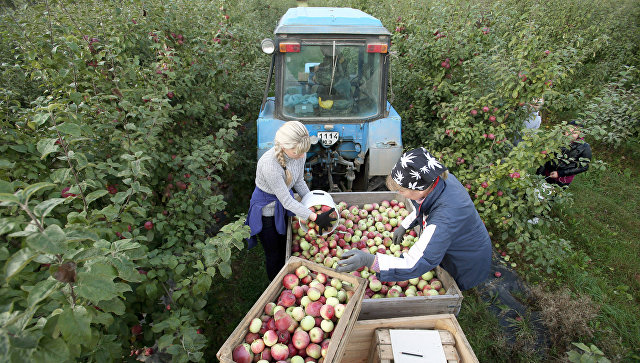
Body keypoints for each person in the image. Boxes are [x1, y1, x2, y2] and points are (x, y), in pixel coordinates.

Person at [336, 148, 492, 291]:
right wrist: (405, 225)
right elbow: (425, 207)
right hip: (456, 240)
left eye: (402, 191)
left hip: (465, 258)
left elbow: (413, 263)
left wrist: (369, 260)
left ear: (420, 189)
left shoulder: (444, 218)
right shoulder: (437, 180)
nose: (401, 194)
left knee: (454, 286)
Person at [245, 121, 336, 280]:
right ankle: (275, 285)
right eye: (298, 153)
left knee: (285, 244)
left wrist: (313, 204)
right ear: (284, 147)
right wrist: (314, 217)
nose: (302, 156)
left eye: (304, 152)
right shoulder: (270, 165)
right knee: (274, 254)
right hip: (267, 210)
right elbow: (287, 201)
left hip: (283, 203)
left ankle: (286, 277)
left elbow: (299, 181)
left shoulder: (300, 151)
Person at [536, 120, 592, 187]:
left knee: (550, 195)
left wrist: (560, 173)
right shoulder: (557, 139)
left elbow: (584, 166)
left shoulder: (584, 147)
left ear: (580, 134)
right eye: (568, 131)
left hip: (562, 180)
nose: (569, 135)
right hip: (545, 172)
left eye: (574, 133)